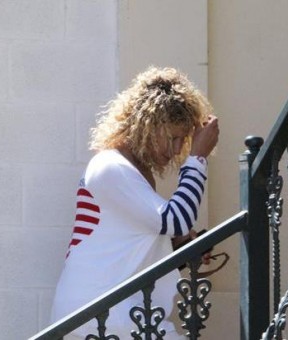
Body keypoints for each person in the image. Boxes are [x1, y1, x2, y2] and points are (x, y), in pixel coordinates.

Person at [50, 67, 219, 339]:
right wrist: (197, 158)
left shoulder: (128, 171)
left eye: (183, 141)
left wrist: (183, 247)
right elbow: (175, 220)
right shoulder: (111, 166)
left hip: (109, 309)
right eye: (172, 138)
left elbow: (132, 246)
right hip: (101, 311)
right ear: (147, 125)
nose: (177, 150)